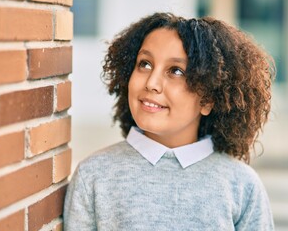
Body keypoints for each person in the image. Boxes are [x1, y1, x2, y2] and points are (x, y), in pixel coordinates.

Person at [64, 13, 275, 230]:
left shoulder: (242, 185)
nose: (152, 83)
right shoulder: (94, 175)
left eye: (176, 71)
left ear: (208, 99)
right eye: (145, 64)